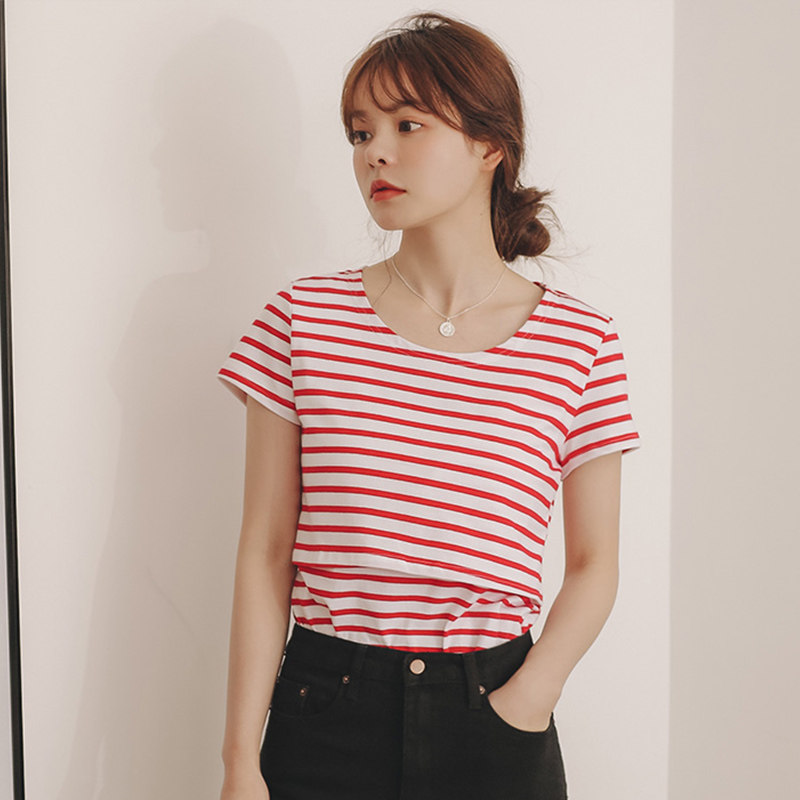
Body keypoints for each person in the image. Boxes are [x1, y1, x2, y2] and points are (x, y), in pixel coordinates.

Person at [217, 11, 640, 800]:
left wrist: (529, 697)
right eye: (360, 132)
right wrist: (240, 758)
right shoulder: (302, 320)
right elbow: (265, 551)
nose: (375, 151)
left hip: (495, 708)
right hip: (324, 708)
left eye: (408, 125)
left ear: (490, 145)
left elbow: (594, 564)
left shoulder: (580, 342)